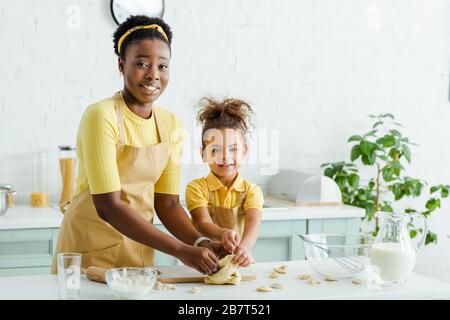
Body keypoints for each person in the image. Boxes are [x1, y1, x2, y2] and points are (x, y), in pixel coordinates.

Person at [51, 15, 219, 275]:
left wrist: (202, 242)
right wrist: (179, 250)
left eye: (162, 66)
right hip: (89, 246)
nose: (153, 75)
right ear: (121, 65)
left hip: (140, 246)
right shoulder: (102, 115)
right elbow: (109, 206)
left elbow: (168, 204)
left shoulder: (170, 124)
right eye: (141, 63)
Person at [185, 97, 264, 267]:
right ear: (203, 154)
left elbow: (253, 221)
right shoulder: (196, 188)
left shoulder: (252, 191)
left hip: (236, 263)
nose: (225, 156)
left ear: (245, 152)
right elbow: (202, 222)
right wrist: (223, 233)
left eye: (234, 149)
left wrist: (244, 248)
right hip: (201, 263)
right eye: (216, 150)